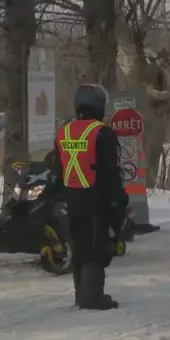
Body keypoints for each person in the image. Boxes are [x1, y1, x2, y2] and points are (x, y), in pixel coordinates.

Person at [48, 83, 126, 310]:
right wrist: (117, 202)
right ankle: (92, 297)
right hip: (95, 197)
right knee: (95, 245)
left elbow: (56, 165)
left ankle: (81, 294)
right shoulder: (101, 133)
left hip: (70, 195)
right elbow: (110, 172)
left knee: (78, 243)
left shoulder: (64, 131)